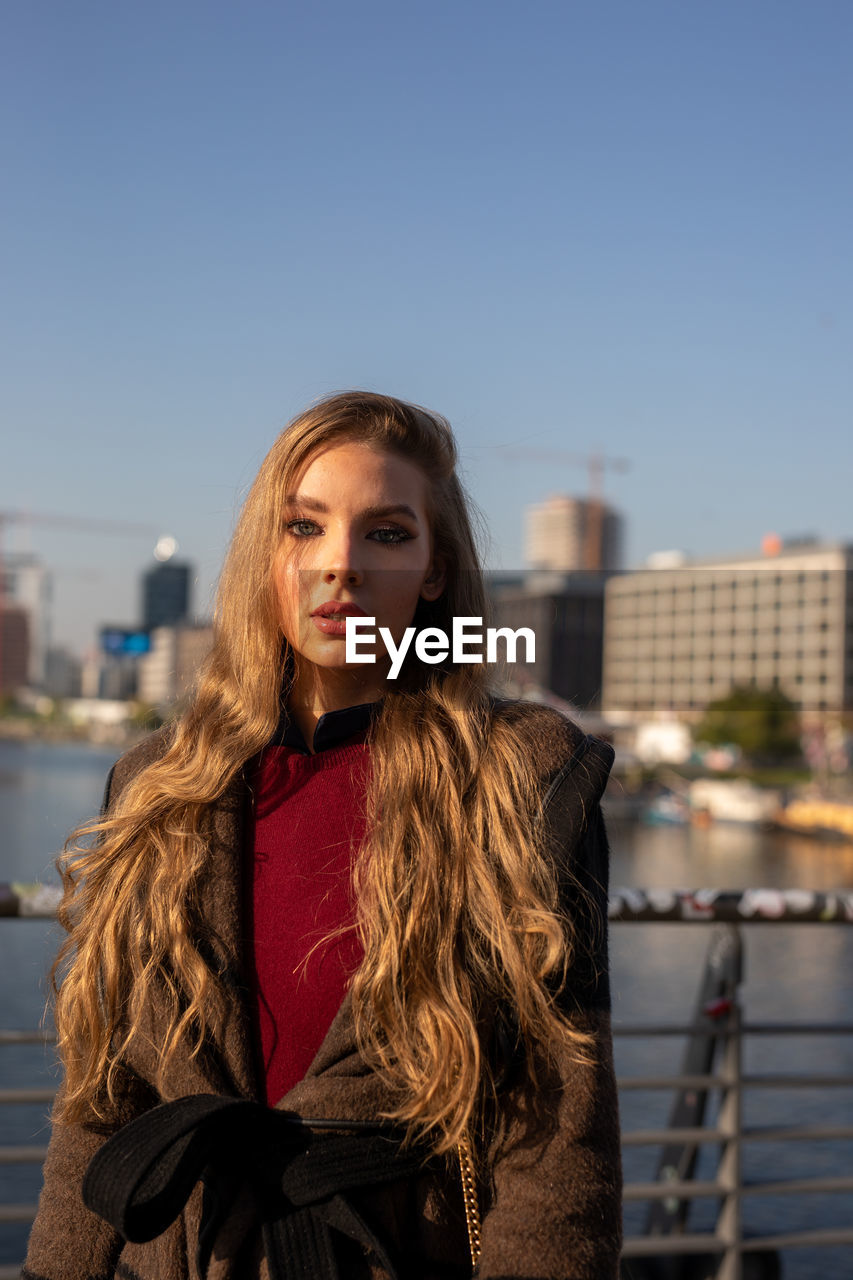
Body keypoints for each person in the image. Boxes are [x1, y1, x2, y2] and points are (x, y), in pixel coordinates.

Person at [24, 391, 622, 1280]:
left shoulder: (518, 774)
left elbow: (555, 1131)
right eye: (303, 528)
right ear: (263, 558)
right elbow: (105, 1099)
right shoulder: (158, 782)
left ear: (433, 571)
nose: (339, 564)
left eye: (385, 533)